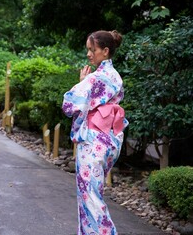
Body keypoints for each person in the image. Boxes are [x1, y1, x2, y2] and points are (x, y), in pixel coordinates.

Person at [62, 30, 128, 235]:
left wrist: (82, 81)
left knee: (89, 195)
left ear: (105, 51)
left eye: (93, 50)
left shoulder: (95, 78)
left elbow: (70, 105)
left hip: (94, 140)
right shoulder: (114, 76)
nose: (89, 54)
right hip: (111, 139)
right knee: (93, 192)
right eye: (88, 50)